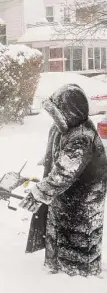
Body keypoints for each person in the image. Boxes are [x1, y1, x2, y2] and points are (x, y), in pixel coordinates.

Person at [19, 83, 107, 277]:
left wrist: (40, 192)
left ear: (71, 111)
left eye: (58, 113)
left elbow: (65, 173)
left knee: (77, 249)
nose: (55, 118)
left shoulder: (82, 137)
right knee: (60, 238)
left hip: (83, 202)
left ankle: (75, 282)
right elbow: (60, 155)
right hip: (67, 198)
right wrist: (48, 161)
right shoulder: (67, 128)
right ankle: (60, 273)